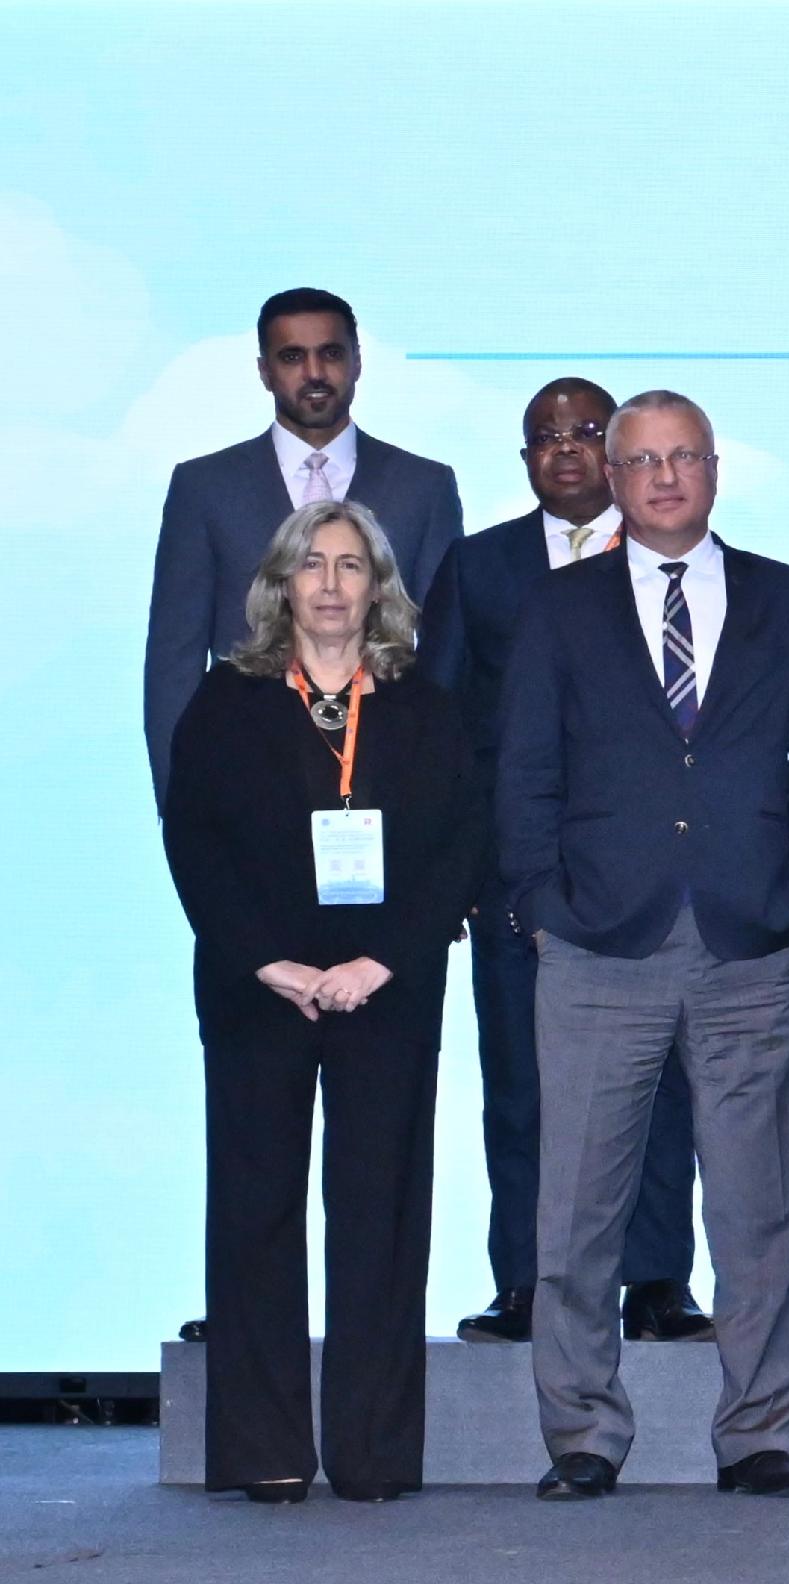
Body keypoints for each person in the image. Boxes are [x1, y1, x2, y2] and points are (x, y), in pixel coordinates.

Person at [499, 391, 789, 1501]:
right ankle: (585, 1436)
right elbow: (525, 776)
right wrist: (543, 906)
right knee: (577, 1213)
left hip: (752, 946)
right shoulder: (559, 608)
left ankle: (757, 1436)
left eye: (682, 457)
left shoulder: (788, 600)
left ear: (713, 468)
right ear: (611, 473)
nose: (662, 478)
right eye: (640, 460)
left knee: (758, 1214)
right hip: (600, 946)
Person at [164, 501, 480, 1503]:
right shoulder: (228, 700)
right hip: (260, 989)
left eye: (352, 565)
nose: (333, 584)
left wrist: (381, 960)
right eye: (313, 565)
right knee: (255, 1210)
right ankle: (264, 1448)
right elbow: (195, 841)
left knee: (379, 1215)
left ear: (380, 587)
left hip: (384, 985)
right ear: (281, 586)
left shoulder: (425, 705)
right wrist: (268, 962)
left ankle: (375, 1453)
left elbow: (462, 848)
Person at [419, 378, 708, 1348]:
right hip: (520, 884)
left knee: (664, 1085)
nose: (567, 450)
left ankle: (659, 1279)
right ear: (526, 459)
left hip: (654, 879)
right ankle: (526, 1282)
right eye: (545, 438)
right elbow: (443, 730)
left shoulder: (673, 565)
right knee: (523, 1086)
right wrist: (464, 877)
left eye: (588, 432)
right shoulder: (481, 567)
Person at [148, 288, 463, 804]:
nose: (314, 372)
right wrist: (177, 797)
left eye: (331, 353)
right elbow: (173, 659)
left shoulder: (423, 486)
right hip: (243, 773)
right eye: (292, 356)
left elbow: (445, 649)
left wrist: (447, 787)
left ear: (358, 362)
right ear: (264, 370)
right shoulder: (204, 487)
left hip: (391, 774)